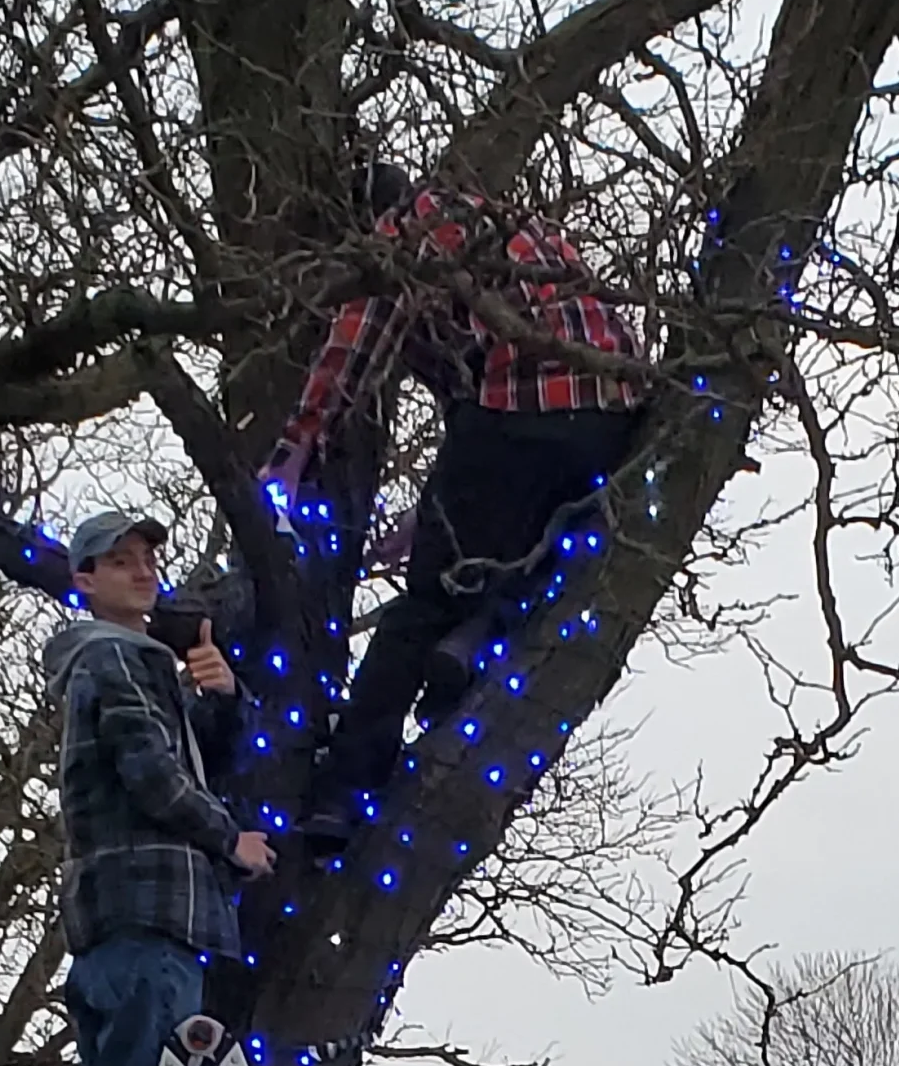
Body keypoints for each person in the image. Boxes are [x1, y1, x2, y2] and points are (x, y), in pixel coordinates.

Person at [261, 173, 644, 850]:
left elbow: (357, 339)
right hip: (609, 417)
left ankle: (340, 796)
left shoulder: (399, 235)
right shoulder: (510, 220)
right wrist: (429, 513)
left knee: (420, 607)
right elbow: (476, 396)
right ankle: (471, 645)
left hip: (516, 416)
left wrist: (299, 443)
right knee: (530, 558)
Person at [33, 508, 276, 1066]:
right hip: (150, 924)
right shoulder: (113, 658)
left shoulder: (134, 670)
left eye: (148, 560)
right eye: (119, 561)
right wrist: (231, 841)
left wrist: (216, 701)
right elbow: (154, 778)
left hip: (119, 930)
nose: (141, 572)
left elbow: (181, 757)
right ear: (85, 578)